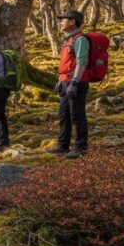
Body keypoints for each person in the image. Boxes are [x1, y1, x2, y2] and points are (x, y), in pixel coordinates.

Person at [46, 10, 90, 159]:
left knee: (77, 115)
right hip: (65, 82)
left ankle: (81, 148)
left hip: (76, 82)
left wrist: (75, 82)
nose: (61, 22)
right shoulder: (67, 40)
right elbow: (66, 63)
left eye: (63, 19)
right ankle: (62, 145)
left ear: (72, 22)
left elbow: (81, 61)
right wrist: (61, 80)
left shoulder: (80, 39)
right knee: (64, 114)